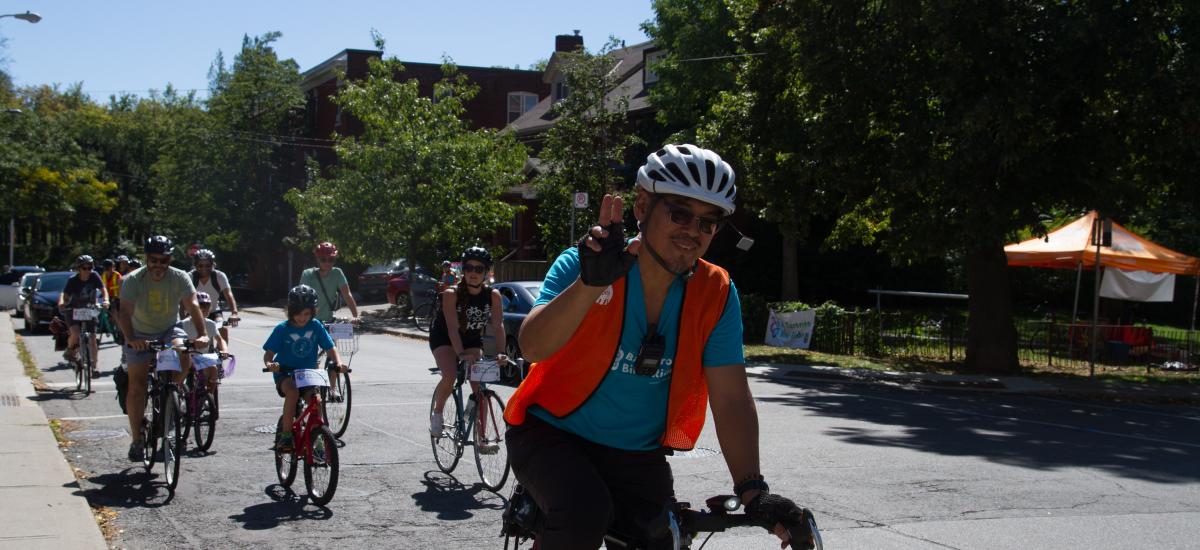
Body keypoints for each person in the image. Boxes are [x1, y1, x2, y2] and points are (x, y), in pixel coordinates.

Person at [505, 145, 807, 549]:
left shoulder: (715, 293)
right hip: (550, 434)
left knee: (660, 535)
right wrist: (589, 286)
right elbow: (532, 345)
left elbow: (731, 398)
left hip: (634, 453)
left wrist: (753, 490)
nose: (692, 232)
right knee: (583, 510)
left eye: (707, 223)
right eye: (679, 214)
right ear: (642, 205)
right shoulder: (586, 264)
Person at [117, 235, 209, 462]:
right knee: (136, 386)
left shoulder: (179, 277)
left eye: (164, 260)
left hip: (169, 330)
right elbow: (124, 312)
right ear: (147, 259)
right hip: (139, 334)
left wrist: (203, 334)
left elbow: (193, 304)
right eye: (154, 260)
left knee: (184, 351)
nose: (159, 265)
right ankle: (137, 439)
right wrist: (130, 338)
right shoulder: (133, 280)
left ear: (170, 259)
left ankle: (171, 392)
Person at [428, 246, 507, 452]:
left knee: (479, 387)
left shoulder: (493, 295)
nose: (473, 272)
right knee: (450, 374)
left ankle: (481, 438)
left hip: (472, 339)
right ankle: (437, 414)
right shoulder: (451, 293)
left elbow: (498, 325)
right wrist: (460, 354)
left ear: (487, 273)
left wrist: (501, 352)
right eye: (469, 268)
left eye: (479, 269)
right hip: (444, 337)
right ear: (463, 270)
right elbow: (453, 327)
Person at [262, 285, 345, 453]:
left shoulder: (315, 326)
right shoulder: (282, 329)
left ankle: (317, 437)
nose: (302, 318)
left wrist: (338, 363)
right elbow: (268, 354)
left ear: (313, 312)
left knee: (317, 402)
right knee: (292, 393)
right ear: (291, 311)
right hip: (285, 372)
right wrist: (270, 364)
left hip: (307, 374)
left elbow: (330, 347)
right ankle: (286, 435)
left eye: (307, 314)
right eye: (298, 314)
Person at [58, 255, 108, 377]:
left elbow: (103, 289)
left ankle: (95, 367)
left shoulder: (94, 276)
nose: (87, 270)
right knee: (75, 333)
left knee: (92, 338)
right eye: (84, 268)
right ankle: (70, 350)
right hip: (73, 309)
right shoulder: (72, 280)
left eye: (90, 267)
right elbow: (64, 294)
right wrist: (62, 303)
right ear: (79, 269)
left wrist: (106, 300)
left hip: (90, 309)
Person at [176, 291, 228, 394]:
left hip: (202, 356)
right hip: (186, 356)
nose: (204, 308)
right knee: (185, 369)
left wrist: (224, 350)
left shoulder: (211, 324)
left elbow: (220, 339)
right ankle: (178, 391)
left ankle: (209, 395)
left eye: (207, 305)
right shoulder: (183, 324)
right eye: (200, 305)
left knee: (214, 369)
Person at [299, 242, 360, 324]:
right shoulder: (307, 274)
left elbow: (347, 295)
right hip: (310, 322)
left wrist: (355, 316)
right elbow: (302, 299)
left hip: (329, 321)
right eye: (323, 259)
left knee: (338, 334)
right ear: (318, 259)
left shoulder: (337, 273)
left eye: (331, 260)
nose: (327, 263)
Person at [188, 249, 241, 343]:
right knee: (190, 336)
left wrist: (234, 313)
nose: (204, 268)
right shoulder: (190, 277)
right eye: (200, 265)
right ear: (195, 265)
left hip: (213, 311)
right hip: (194, 312)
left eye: (208, 265)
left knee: (223, 328)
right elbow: (183, 299)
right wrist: (182, 317)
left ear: (213, 265)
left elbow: (228, 294)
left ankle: (222, 354)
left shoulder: (219, 276)